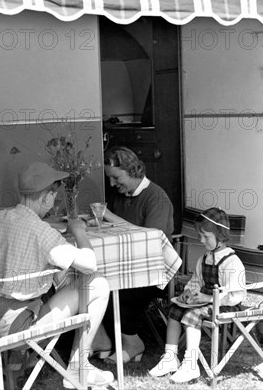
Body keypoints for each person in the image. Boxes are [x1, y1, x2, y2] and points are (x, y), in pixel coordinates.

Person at [0, 162, 114, 389]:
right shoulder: (41, 232)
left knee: (53, 281)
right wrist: (79, 231)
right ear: (45, 198)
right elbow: (89, 265)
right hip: (17, 327)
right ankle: (80, 367)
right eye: (54, 196)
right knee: (98, 285)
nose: (54, 201)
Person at [94, 146, 178, 363]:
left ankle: (132, 342)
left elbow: (152, 241)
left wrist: (111, 218)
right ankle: (101, 338)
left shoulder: (156, 198)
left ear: (132, 170)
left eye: (115, 177)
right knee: (90, 282)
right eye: (109, 178)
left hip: (153, 271)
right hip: (123, 265)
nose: (112, 184)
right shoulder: (119, 195)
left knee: (111, 290)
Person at [149, 207, 246, 383]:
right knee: (175, 309)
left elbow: (236, 294)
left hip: (224, 304)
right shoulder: (205, 258)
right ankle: (171, 356)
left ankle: (191, 363)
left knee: (191, 315)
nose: (201, 240)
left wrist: (209, 299)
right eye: (200, 235)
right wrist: (189, 292)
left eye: (206, 237)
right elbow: (196, 281)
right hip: (205, 301)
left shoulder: (232, 261)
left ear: (221, 236)